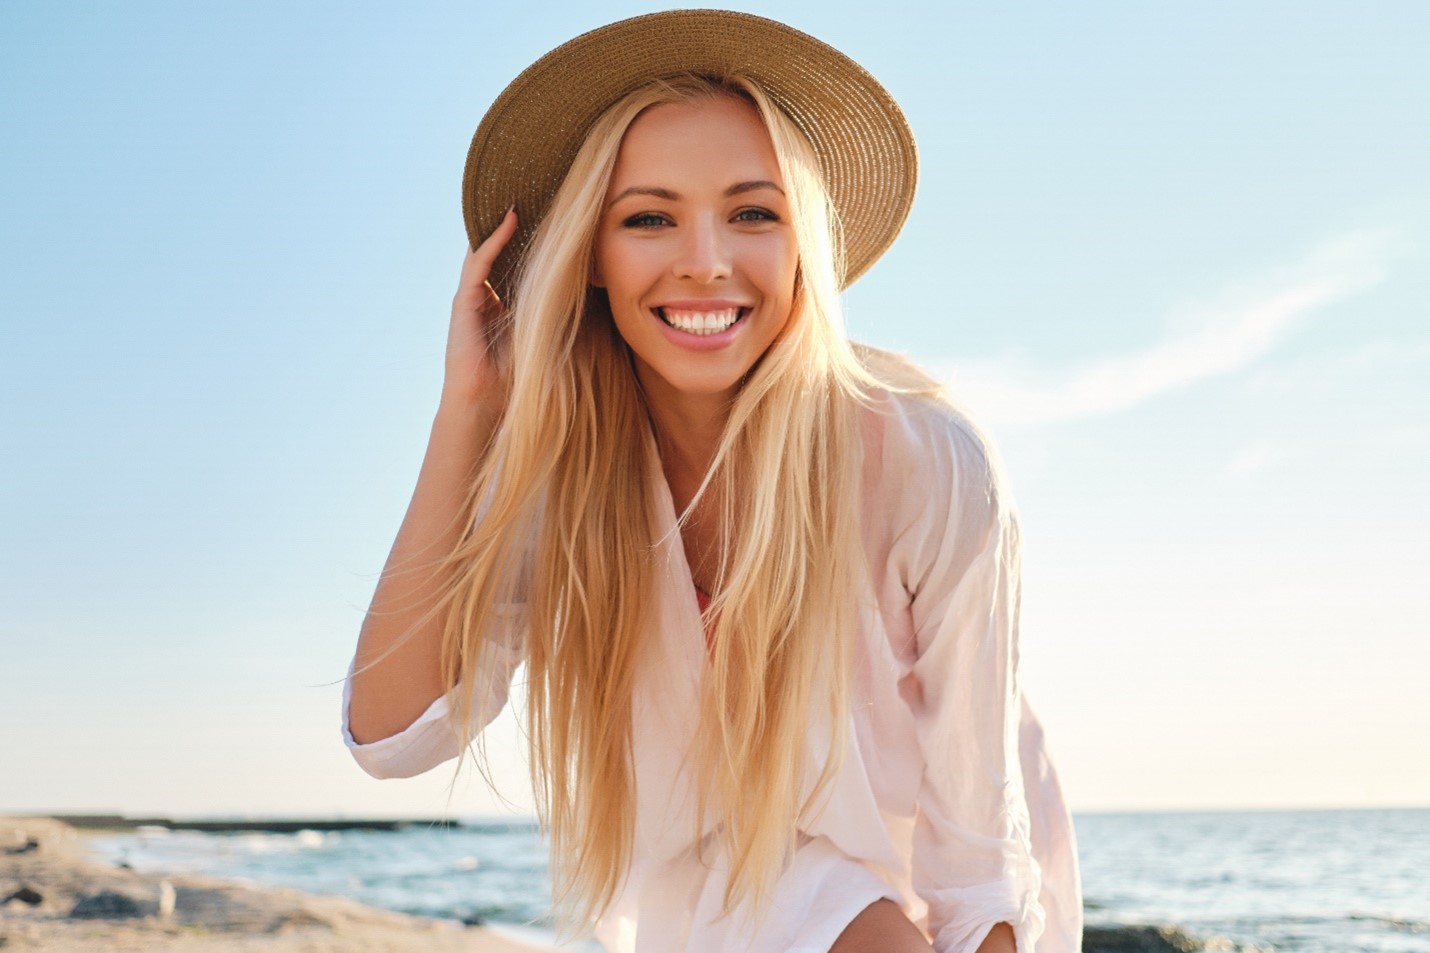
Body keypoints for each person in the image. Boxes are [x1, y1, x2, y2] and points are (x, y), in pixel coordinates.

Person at [341, 10, 1081, 953]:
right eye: (648, 217)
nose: (704, 259)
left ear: (805, 240)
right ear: (593, 258)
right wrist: (469, 416)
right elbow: (395, 734)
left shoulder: (926, 459)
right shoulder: (563, 474)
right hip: (712, 903)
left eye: (753, 212)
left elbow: (975, 866)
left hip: (930, 873)